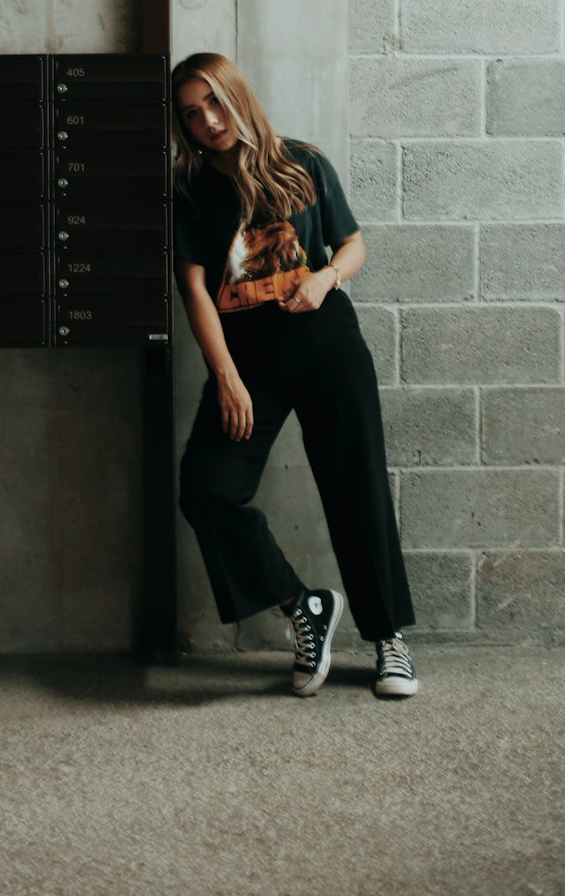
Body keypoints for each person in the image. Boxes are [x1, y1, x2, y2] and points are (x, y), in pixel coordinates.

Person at [171, 52, 417, 698]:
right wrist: (225, 376)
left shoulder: (302, 163)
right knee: (207, 487)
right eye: (192, 114)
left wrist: (326, 277)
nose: (208, 121)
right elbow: (194, 289)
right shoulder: (190, 187)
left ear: (236, 96)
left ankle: (389, 639)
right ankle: (301, 606)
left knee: (356, 487)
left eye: (215, 103)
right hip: (250, 360)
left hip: (327, 342)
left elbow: (353, 244)